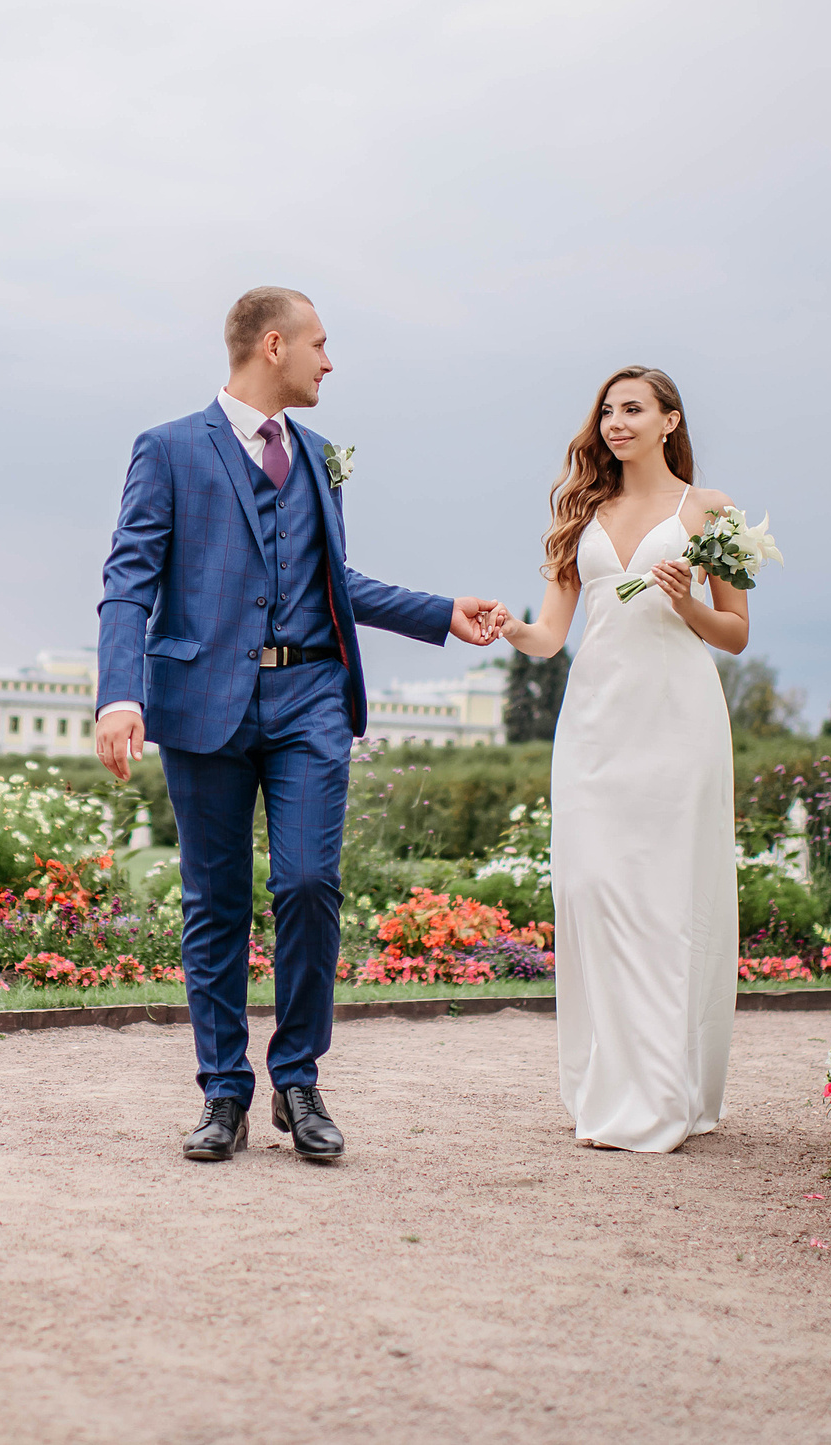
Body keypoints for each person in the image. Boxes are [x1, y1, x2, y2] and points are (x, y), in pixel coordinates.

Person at [95, 287, 508, 1163]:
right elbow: (129, 577)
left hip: (311, 696)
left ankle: (298, 1079)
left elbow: (334, 579)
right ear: (274, 345)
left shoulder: (318, 456)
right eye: (320, 344)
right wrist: (119, 694)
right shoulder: (169, 448)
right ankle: (223, 1091)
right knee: (215, 901)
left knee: (311, 883)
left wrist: (441, 611)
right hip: (202, 699)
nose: (330, 361)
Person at [496, 365, 746, 1153]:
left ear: (670, 420)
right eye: (608, 410)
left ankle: (668, 1091)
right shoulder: (583, 512)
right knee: (593, 890)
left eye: (633, 408)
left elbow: (736, 631)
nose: (615, 422)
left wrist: (685, 600)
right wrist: (511, 628)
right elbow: (551, 636)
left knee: (669, 900)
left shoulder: (711, 510)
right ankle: (608, 1083)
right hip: (596, 725)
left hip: (678, 721)